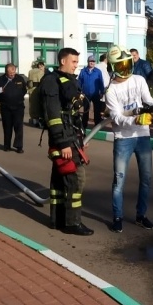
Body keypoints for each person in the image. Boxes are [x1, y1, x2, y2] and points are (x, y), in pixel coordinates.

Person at [38, 47, 93, 235]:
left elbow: (74, 114)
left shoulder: (69, 81)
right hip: (63, 139)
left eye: (77, 62)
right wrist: (63, 144)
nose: (77, 66)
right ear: (63, 61)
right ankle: (72, 223)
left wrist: (81, 138)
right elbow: (53, 115)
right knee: (76, 180)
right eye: (74, 62)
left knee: (60, 180)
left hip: (72, 137)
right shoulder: (51, 82)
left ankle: (57, 220)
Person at [104, 45, 153, 233]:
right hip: (123, 138)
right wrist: (135, 118)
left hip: (142, 135)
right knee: (119, 180)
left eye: (127, 64)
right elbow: (117, 118)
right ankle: (117, 216)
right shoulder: (110, 90)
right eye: (120, 66)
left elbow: (148, 100)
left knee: (147, 179)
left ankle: (141, 216)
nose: (125, 69)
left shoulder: (139, 80)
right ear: (112, 68)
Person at [0, 63, 28, 153]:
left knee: (18, 127)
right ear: (6, 72)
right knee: (7, 127)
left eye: (14, 72)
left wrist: (17, 97)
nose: (12, 74)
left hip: (18, 107)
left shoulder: (20, 79)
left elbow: (24, 90)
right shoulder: (0, 80)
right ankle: (6, 146)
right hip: (5, 108)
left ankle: (19, 147)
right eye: (10, 73)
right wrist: (4, 100)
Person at [77, 55, 105, 128]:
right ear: (88, 62)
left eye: (93, 61)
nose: (92, 63)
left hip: (95, 94)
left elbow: (101, 82)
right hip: (86, 94)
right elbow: (79, 82)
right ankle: (84, 125)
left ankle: (97, 125)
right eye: (90, 61)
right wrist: (79, 91)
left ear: (95, 62)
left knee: (97, 110)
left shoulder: (98, 72)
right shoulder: (83, 71)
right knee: (86, 110)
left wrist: (102, 91)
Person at [27, 59, 46, 127]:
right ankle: (40, 119)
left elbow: (29, 82)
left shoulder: (30, 72)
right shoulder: (41, 72)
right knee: (39, 105)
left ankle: (34, 119)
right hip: (39, 90)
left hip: (32, 90)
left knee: (32, 105)